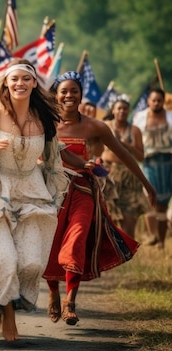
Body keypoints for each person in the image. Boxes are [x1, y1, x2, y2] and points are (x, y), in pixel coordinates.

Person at [0, 59, 69, 342]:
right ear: (6, 83)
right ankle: (7, 316)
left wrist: (56, 189)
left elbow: (53, 160)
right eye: (14, 79)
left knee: (31, 263)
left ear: (34, 83)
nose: (20, 83)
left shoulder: (44, 118)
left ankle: (0, 297)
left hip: (33, 194)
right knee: (5, 260)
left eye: (26, 79)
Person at [43, 71, 156, 327]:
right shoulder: (44, 124)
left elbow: (124, 154)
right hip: (50, 192)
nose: (69, 96)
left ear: (81, 95)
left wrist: (146, 184)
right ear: (55, 95)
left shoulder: (95, 126)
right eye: (64, 91)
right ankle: (53, 291)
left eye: (74, 91)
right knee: (50, 242)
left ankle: (70, 301)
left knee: (77, 239)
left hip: (84, 191)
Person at [101, 96, 150, 238]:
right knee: (110, 216)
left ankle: (127, 252)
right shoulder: (104, 126)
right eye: (119, 108)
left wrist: (123, 143)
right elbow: (94, 149)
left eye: (125, 108)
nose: (122, 111)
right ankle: (112, 253)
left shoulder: (135, 131)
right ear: (113, 110)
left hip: (129, 177)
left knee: (129, 217)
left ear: (129, 111)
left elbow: (141, 157)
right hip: (108, 175)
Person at [132, 87, 172, 250]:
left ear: (163, 101)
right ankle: (153, 235)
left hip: (168, 161)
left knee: (163, 203)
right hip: (148, 161)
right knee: (150, 200)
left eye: (159, 100)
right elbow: (136, 143)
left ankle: (161, 241)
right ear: (148, 101)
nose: (156, 103)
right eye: (153, 100)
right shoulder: (140, 118)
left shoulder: (170, 117)